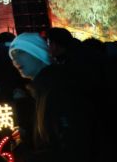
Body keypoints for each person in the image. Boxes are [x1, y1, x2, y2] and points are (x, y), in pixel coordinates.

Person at [8, 32, 97, 162]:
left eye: (20, 52)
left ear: (37, 52)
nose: (15, 61)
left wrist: (25, 154)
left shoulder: (58, 87)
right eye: (12, 57)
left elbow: (72, 145)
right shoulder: (42, 89)